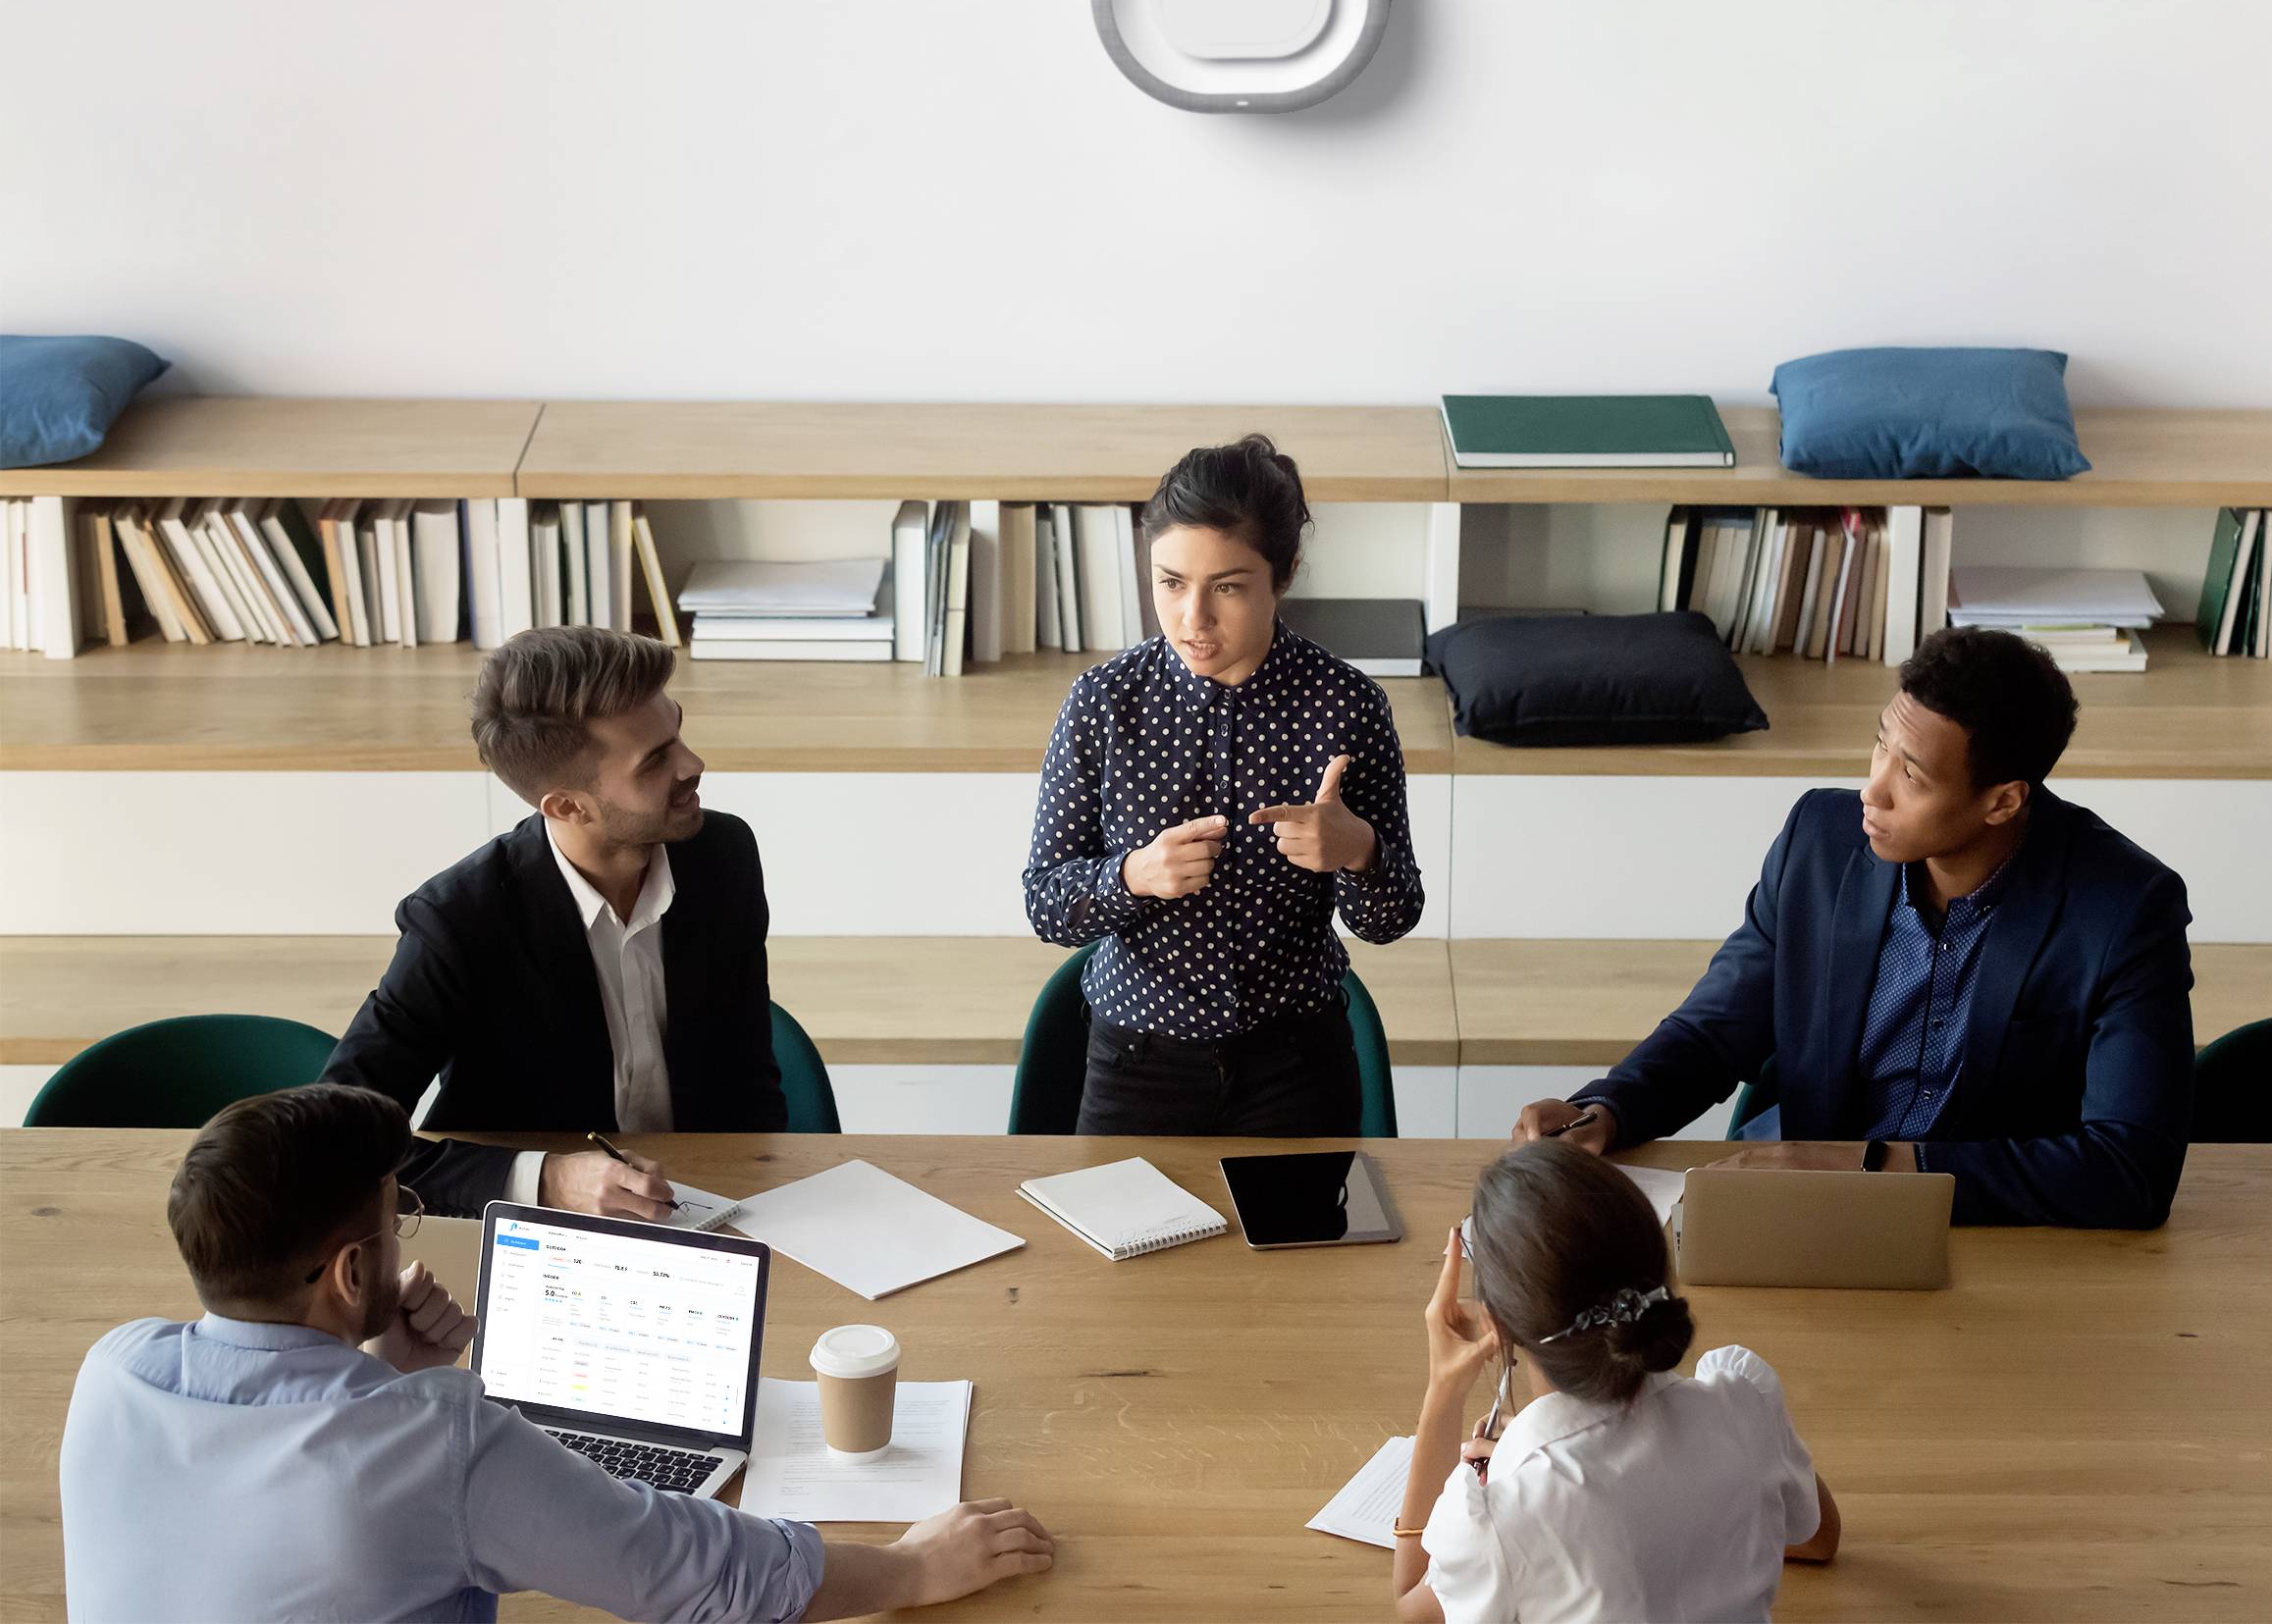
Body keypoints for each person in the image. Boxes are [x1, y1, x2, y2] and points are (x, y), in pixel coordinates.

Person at [58, 1083, 1054, 1622]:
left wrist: (383, 1371)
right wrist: (911, 1571)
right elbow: (700, 1575)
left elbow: (275, 1499)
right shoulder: (437, 1440)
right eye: (397, 1215)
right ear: (351, 1274)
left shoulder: (111, 1372)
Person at [1512, 626, 2193, 1228]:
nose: (1872, 790)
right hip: (1793, 1212)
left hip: (1988, 1236)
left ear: (2002, 801)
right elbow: (1716, 1031)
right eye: (1879, 746)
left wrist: (1867, 1166)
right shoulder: (1820, 840)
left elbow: (2129, 1168)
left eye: (1912, 776)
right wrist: (1606, 1110)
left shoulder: (2125, 909)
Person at [1023, 434, 1424, 1134]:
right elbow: (1046, 905)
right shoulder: (1102, 702)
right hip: (1137, 1061)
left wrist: (1358, 849)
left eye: (1228, 587)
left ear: (1286, 572)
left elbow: (1389, 920)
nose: (1192, 619)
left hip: (1300, 1063)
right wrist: (1134, 876)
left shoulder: (1349, 707)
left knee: (1308, 1246)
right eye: (1170, 583)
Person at [324, 625, 785, 1219]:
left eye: (678, 731)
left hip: (709, 1207)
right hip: (533, 1241)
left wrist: (771, 1197)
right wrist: (546, 1181)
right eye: (654, 762)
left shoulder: (723, 853)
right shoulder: (459, 921)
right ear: (567, 806)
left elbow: (747, 1072)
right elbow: (335, 1144)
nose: (694, 764)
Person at [1391, 1140, 1837, 1622]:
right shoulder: (1741, 1403)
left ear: (1497, 1327)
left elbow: (1411, 1606)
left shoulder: (1511, 1511)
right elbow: (1820, 1539)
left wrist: (1444, 1389)